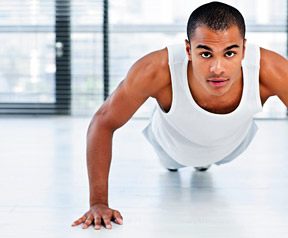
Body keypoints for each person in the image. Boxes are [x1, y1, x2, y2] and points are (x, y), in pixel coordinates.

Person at [72, 1, 288, 230]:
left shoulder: (271, 70)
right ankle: (182, 164)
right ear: (188, 50)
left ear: (244, 50)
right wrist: (98, 202)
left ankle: (203, 164)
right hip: (170, 147)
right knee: (172, 163)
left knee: (206, 162)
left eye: (230, 53)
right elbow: (103, 122)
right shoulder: (155, 69)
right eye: (205, 53)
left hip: (231, 146)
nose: (217, 68)